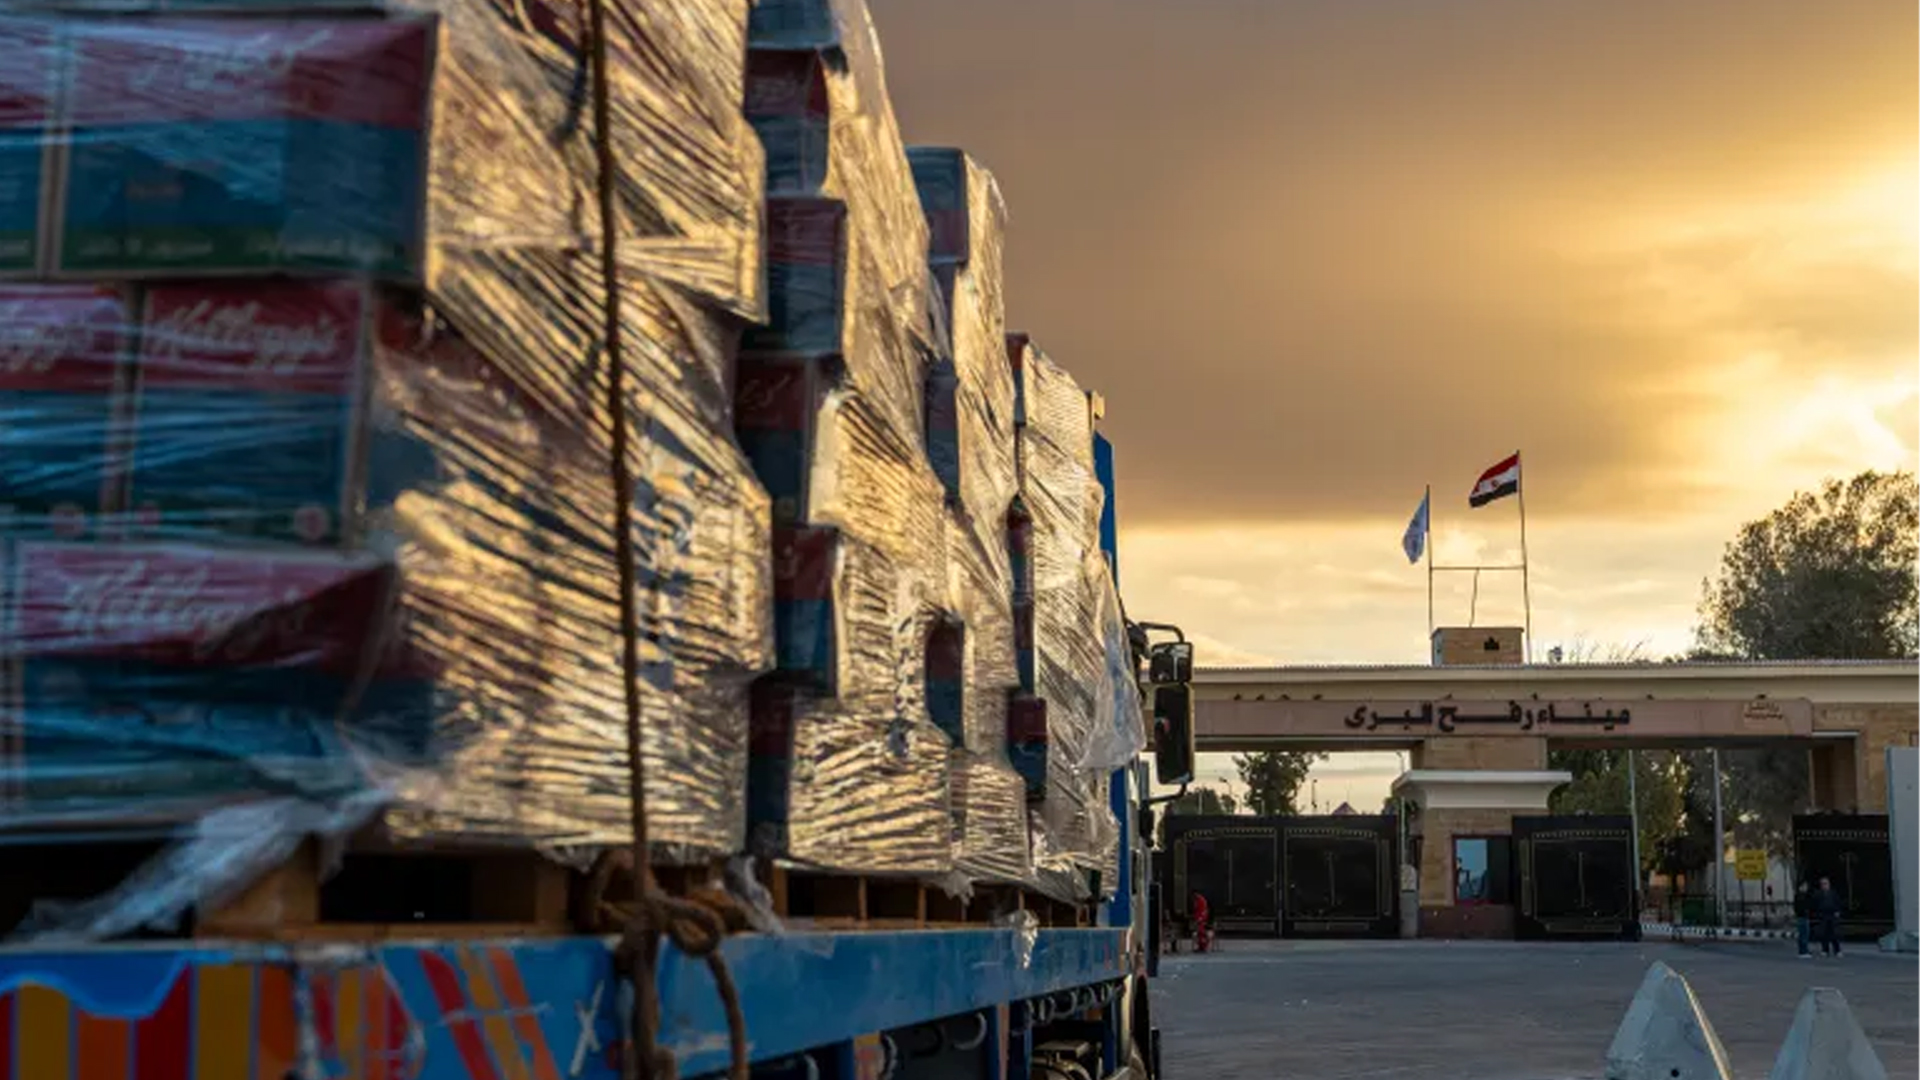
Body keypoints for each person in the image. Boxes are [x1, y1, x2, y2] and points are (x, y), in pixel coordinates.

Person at [1812, 875, 1844, 957]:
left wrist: (1838, 911)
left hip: (1832, 915)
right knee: (1824, 934)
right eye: (1822, 884)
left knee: (1834, 934)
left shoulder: (1833, 893)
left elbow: (1838, 903)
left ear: (1829, 884)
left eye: (1825, 884)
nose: (1824, 886)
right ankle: (1825, 950)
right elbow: (1815, 905)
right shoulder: (1818, 894)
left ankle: (1837, 950)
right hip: (1823, 915)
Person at [1792, 881, 1812, 958]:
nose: (1806, 888)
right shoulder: (1800, 896)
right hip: (1802, 916)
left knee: (1804, 934)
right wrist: (1804, 912)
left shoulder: (1803, 896)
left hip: (1803, 916)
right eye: (1804, 886)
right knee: (1804, 935)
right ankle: (1803, 951)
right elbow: (1799, 907)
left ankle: (1803, 950)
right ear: (1801, 887)